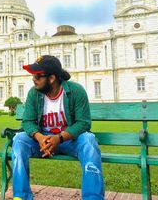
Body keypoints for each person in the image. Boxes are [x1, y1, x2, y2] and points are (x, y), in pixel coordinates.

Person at [12, 55, 104, 200]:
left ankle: (93, 198)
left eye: (38, 76)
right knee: (19, 139)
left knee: (89, 140)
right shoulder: (34, 93)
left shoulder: (76, 91)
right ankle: (21, 197)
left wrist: (59, 138)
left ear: (52, 78)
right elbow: (28, 122)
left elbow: (83, 123)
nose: (33, 79)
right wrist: (40, 137)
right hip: (43, 141)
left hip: (69, 140)